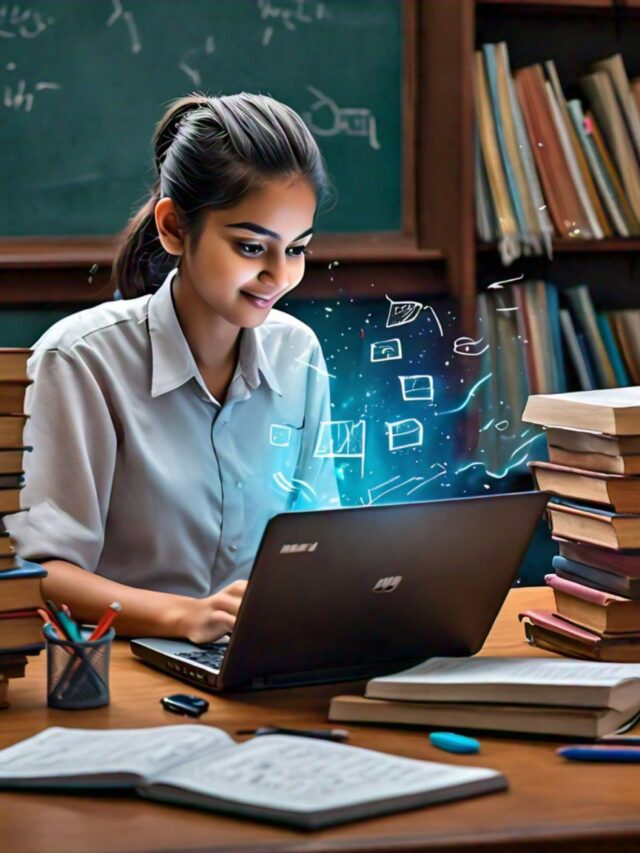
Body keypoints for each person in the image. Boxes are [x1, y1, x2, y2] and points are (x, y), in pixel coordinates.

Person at [6, 92, 340, 644]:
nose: (279, 276)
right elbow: (40, 574)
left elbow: (322, 538)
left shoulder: (297, 353)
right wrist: (183, 616)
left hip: (260, 659)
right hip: (120, 670)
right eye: (252, 247)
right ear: (174, 227)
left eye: (297, 249)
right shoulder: (81, 360)